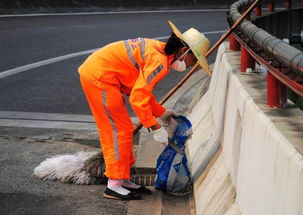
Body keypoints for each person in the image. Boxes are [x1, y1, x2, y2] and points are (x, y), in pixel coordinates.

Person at [78, 21, 210, 200]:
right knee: (118, 132)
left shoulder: (160, 53)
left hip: (103, 76)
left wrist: (162, 113)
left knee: (123, 130)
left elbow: (141, 93)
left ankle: (122, 179)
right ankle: (114, 184)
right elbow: (138, 99)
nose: (191, 65)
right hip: (99, 78)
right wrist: (155, 128)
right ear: (183, 52)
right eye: (193, 60)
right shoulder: (160, 63)